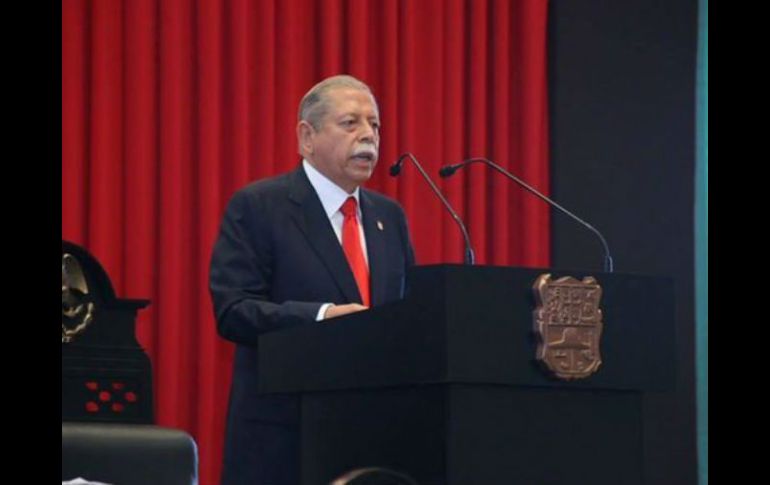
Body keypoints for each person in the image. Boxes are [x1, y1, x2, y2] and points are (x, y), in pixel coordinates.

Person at [209, 74, 415, 485]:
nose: (368, 136)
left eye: (374, 125)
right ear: (307, 137)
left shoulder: (389, 217)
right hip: (285, 437)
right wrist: (322, 318)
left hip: (373, 436)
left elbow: (408, 314)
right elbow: (234, 311)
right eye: (350, 123)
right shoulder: (260, 206)